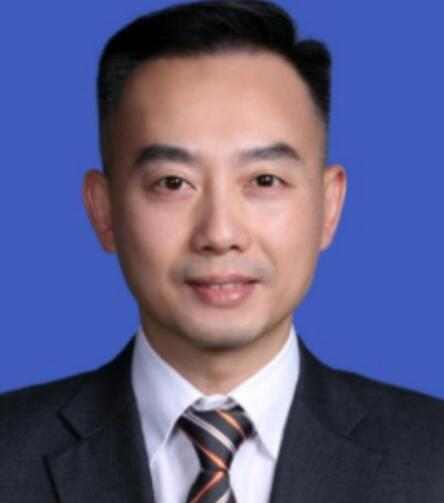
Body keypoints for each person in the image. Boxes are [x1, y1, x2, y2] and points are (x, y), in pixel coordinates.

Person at [1, 1, 444, 501]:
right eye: (173, 182)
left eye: (264, 180)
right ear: (103, 210)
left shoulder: (433, 460)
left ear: (329, 206)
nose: (220, 232)